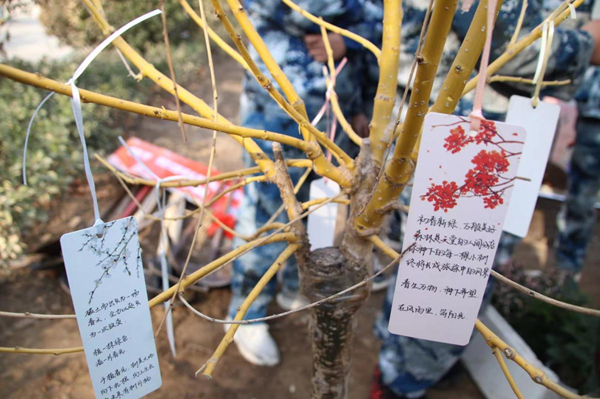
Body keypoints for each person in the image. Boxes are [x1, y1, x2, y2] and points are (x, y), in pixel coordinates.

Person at [369, 0, 600, 397]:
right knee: (454, 259)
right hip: (465, 124)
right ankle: (406, 378)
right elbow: (506, 44)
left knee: (425, 251)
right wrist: (585, 45)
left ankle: (403, 353)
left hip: (445, 117)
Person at [226, 0, 379, 367]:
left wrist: (359, 102)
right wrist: (361, 29)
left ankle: (295, 283)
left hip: (332, 113)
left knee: (316, 205)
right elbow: (314, 7)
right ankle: (247, 312)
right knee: (270, 211)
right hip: (279, 116)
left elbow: (376, 28)